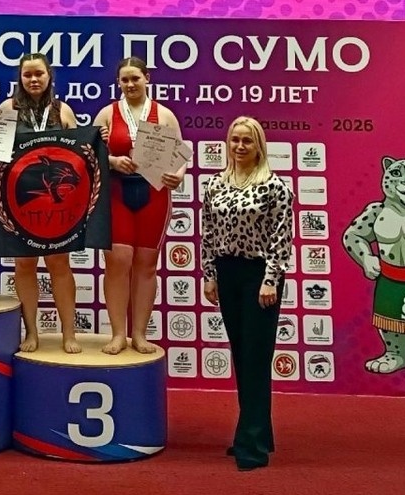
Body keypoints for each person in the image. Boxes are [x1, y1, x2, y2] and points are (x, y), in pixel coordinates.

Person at [201, 116, 293, 471]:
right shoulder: (215, 184)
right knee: (242, 355)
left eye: (247, 141)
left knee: (256, 357)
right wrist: (209, 275)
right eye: (235, 140)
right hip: (227, 273)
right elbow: (208, 232)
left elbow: (281, 237)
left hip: (260, 276)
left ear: (259, 146)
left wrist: (271, 279)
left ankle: (250, 446)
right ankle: (259, 433)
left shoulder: (274, 187)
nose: (240, 146)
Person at [0, 53, 81, 353]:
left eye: (39, 73)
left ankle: (69, 334)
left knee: (59, 264)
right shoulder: (7, 109)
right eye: (27, 75)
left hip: (57, 206)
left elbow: (81, 154)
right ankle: (31, 332)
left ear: (49, 76)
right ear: (20, 78)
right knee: (24, 264)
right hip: (21, 204)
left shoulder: (63, 111)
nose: (33, 79)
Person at [93, 56, 186, 355]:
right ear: (118, 83)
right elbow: (90, 154)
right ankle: (118, 334)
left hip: (154, 193)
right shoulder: (107, 114)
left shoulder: (165, 115)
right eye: (125, 80)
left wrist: (179, 175)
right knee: (118, 261)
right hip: (117, 192)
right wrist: (112, 161)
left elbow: (181, 154)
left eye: (135, 78)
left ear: (147, 78)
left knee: (146, 264)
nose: (130, 84)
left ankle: (139, 334)